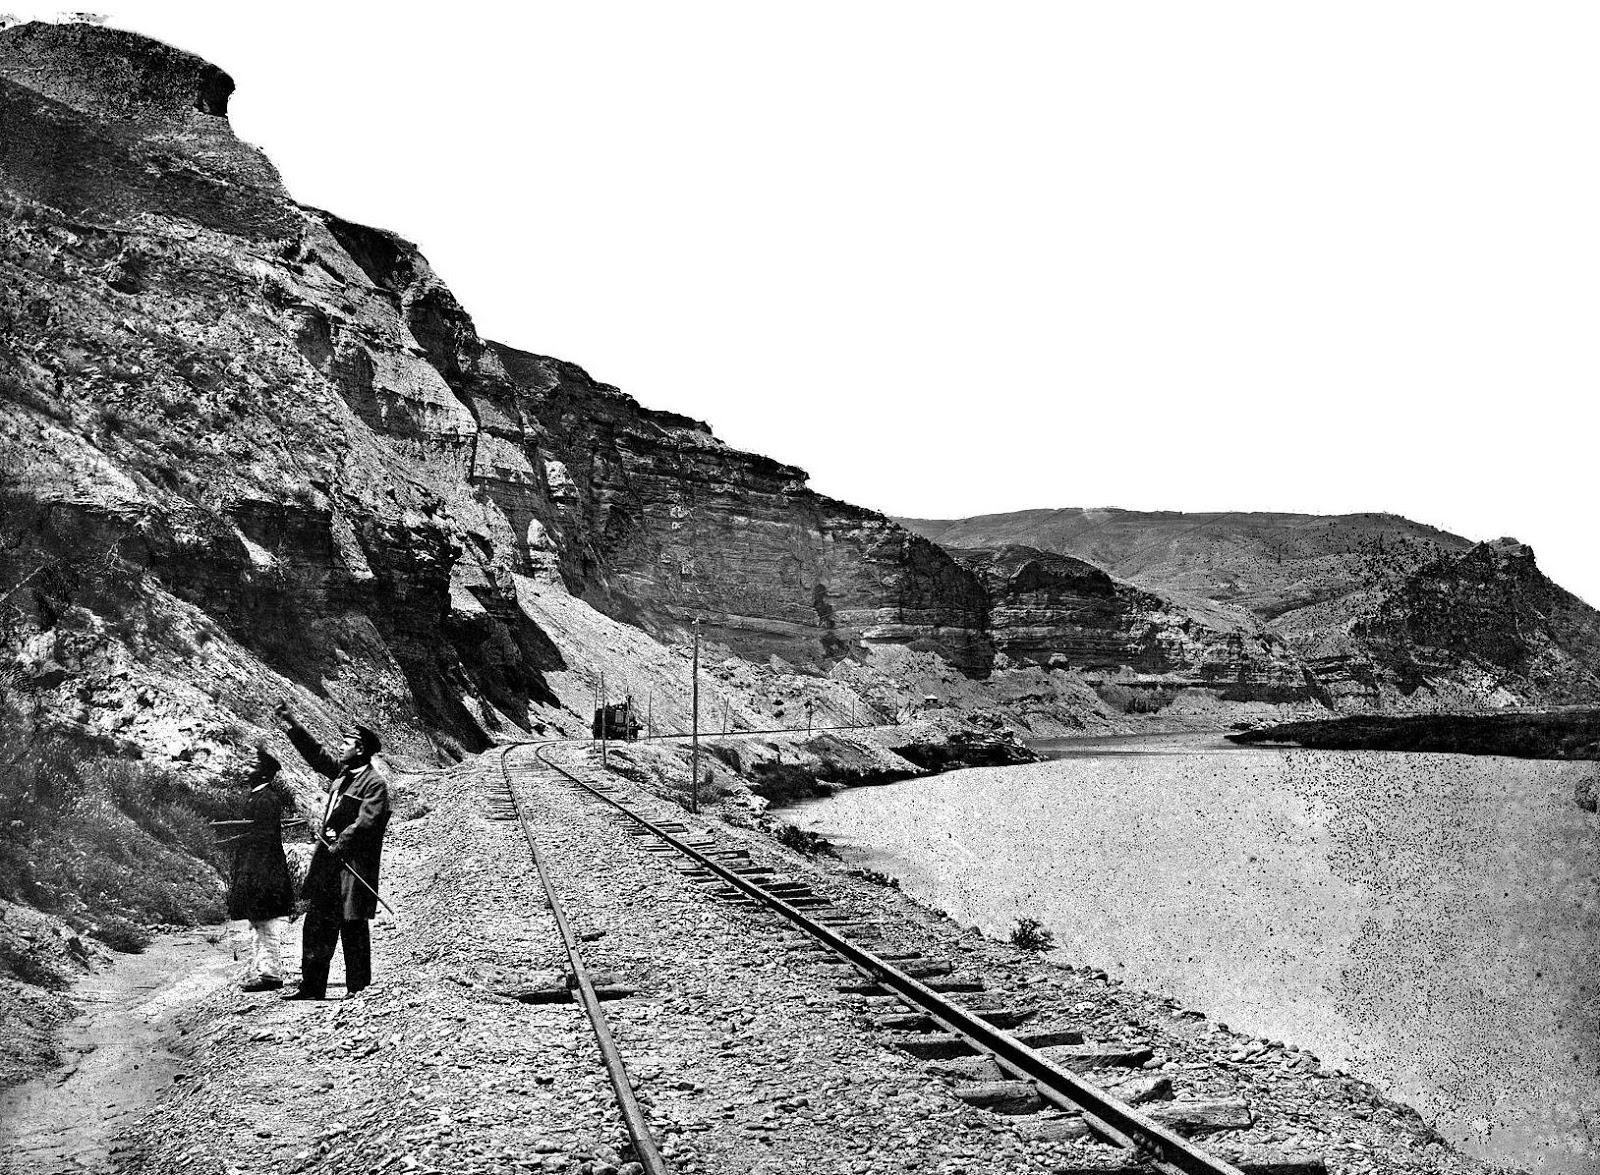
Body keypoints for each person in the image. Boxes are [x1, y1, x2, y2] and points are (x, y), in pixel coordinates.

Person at [272, 701, 391, 1001]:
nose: (340, 747)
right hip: (328, 864)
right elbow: (316, 754)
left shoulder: (374, 784)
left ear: (361, 749)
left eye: (346, 743)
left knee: (353, 928)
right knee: (316, 925)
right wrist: (292, 724)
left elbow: (368, 822)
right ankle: (311, 988)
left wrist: (341, 841)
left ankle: (358, 990)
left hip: (351, 868)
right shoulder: (342, 773)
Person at [224, 745, 298, 992]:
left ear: (263, 773)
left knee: (264, 923)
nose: (247, 769)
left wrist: (251, 873)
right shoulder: (258, 796)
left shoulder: (267, 799)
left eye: (253, 766)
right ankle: (263, 971)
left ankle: (270, 974)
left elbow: (263, 840)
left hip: (262, 869)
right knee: (258, 922)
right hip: (257, 866)